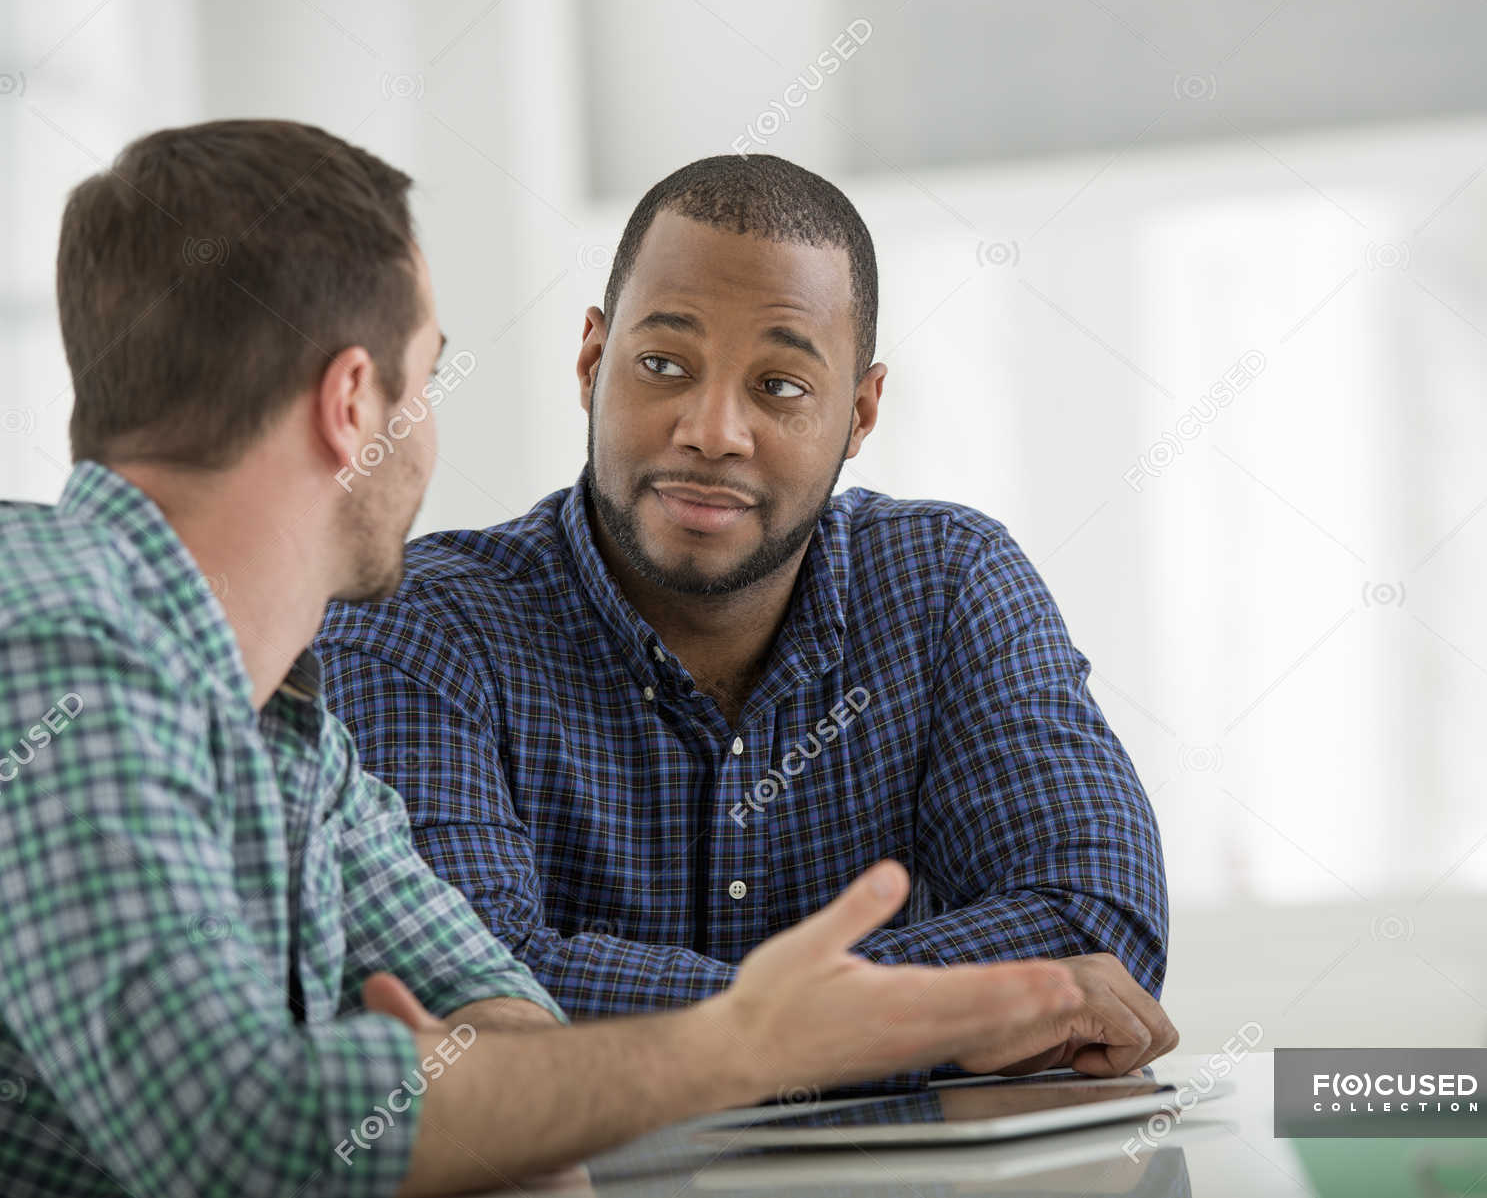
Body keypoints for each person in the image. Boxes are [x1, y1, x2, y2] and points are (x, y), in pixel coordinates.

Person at [0, 119, 1088, 1198]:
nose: (426, 433)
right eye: (424, 379)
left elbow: (490, 1006)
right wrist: (744, 1041)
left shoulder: (292, 738)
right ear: (350, 407)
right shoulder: (46, 634)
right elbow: (238, 1124)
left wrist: (514, 1115)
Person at [316, 153, 1177, 1078]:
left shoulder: (950, 584)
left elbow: (1095, 924)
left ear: (859, 411)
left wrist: (727, 1026)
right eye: (661, 364)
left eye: (780, 386)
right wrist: (903, 1020)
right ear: (592, 362)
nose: (712, 429)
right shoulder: (415, 625)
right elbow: (462, 995)